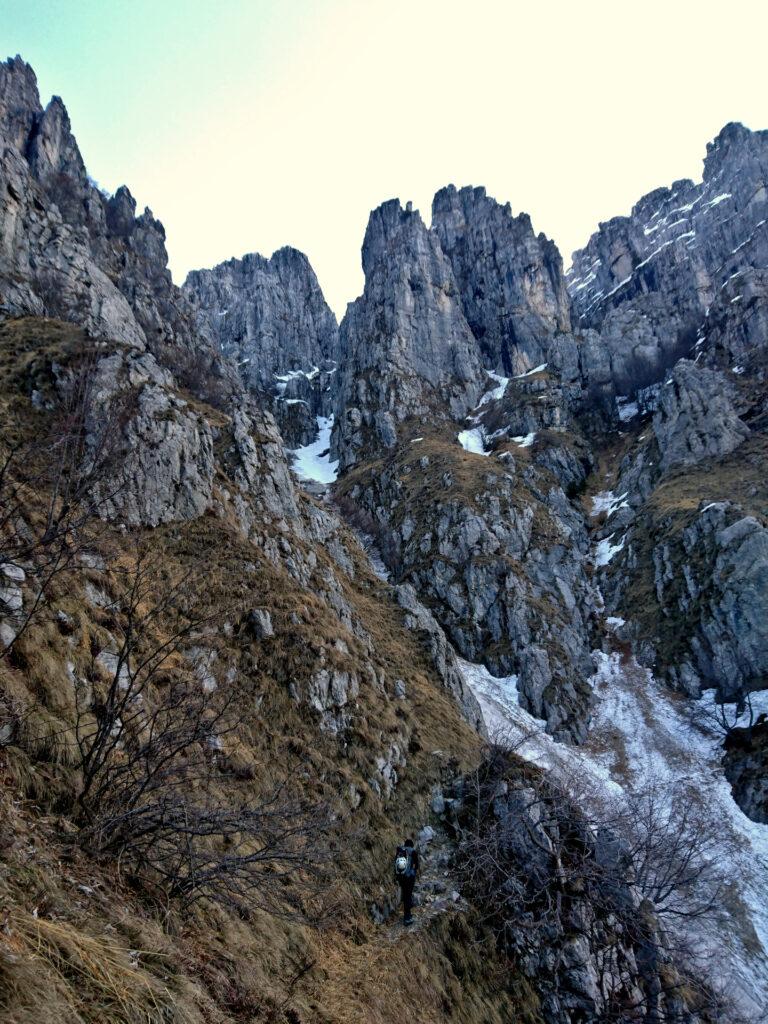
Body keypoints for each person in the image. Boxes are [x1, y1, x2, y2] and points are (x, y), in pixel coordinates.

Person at [394, 837, 419, 925]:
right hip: (409, 877)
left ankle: (408, 913)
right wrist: (414, 872)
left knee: (406, 895)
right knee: (408, 896)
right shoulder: (413, 851)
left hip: (401, 877)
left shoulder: (400, 850)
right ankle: (407, 918)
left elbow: (395, 864)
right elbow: (417, 865)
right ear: (411, 845)